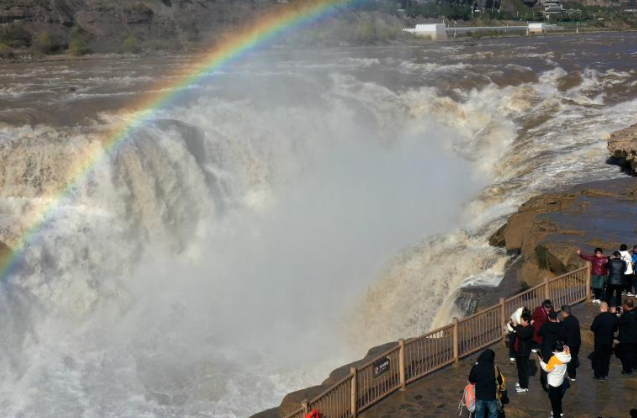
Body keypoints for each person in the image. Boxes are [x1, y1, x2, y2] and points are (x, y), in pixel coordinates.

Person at [538, 341, 571, 418]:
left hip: (553, 382)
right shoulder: (567, 355)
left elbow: (547, 369)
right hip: (560, 380)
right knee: (558, 397)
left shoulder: (554, 359)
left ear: (556, 350)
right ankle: (560, 411)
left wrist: (541, 362)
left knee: (554, 400)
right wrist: (565, 347)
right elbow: (567, 349)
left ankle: (557, 415)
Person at [468, 349, 503, 418]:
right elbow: (500, 381)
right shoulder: (494, 367)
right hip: (491, 396)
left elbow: (471, 379)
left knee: (479, 415)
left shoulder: (476, 366)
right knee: (493, 414)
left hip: (480, 396)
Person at [590, 301, 619, 380]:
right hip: (609, 341)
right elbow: (616, 329)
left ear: (601, 308)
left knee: (599, 358)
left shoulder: (598, 318)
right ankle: (605, 374)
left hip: (599, 342)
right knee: (606, 358)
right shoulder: (612, 318)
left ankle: (598, 375)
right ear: (608, 308)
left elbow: (592, 328)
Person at [538, 311, 561, 391]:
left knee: (545, 366)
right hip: (555, 350)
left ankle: (545, 383)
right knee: (555, 367)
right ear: (556, 318)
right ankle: (554, 383)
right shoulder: (559, 326)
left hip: (545, 349)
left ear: (548, 318)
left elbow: (539, 333)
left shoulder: (545, 326)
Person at [512, 312, 534, 393]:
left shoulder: (530, 329)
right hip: (519, 352)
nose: (520, 321)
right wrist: (513, 324)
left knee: (523, 370)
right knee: (520, 369)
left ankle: (524, 386)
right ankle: (522, 383)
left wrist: (516, 327)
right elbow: (518, 329)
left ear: (526, 321)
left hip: (523, 353)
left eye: (521, 320)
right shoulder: (523, 327)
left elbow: (522, 335)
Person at [559, 305, 581, 381]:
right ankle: (573, 375)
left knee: (569, 361)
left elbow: (562, 334)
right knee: (574, 358)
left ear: (564, 312)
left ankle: (572, 376)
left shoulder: (566, 321)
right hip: (577, 343)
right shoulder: (575, 319)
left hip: (569, 344)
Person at [617, 299, 637, 375]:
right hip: (635, 338)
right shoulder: (635, 312)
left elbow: (618, 321)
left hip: (627, 339)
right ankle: (635, 366)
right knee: (635, 353)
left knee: (626, 355)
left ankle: (627, 370)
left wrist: (619, 312)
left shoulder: (625, 316)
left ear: (626, 305)